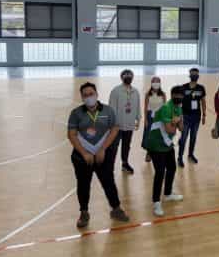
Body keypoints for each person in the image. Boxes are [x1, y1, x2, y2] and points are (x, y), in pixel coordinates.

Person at [68, 82, 129, 229]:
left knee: (108, 182)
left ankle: (116, 209)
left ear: (96, 94)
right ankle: (84, 213)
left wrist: (102, 149)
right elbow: (71, 134)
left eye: (91, 94)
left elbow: (114, 129)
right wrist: (84, 153)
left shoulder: (108, 111)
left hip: (103, 155)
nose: (89, 97)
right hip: (82, 157)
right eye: (85, 95)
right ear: (82, 97)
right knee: (83, 184)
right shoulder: (76, 113)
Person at [144, 85, 185, 216]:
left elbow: (182, 128)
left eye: (181, 95)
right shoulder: (166, 108)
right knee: (160, 172)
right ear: (172, 95)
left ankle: (167, 194)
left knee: (172, 168)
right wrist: (176, 122)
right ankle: (156, 202)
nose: (179, 97)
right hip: (156, 144)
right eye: (176, 95)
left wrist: (177, 121)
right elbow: (170, 130)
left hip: (167, 144)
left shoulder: (179, 108)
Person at [109, 69, 141, 174]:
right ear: (121, 77)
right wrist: (112, 124)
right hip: (117, 125)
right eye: (126, 75)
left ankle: (125, 163)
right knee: (114, 146)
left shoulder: (135, 92)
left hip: (129, 124)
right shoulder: (116, 91)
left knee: (126, 145)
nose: (128, 77)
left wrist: (138, 119)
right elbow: (112, 108)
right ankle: (110, 166)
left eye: (130, 75)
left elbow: (138, 106)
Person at [178, 67, 207, 167]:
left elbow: (203, 101)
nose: (194, 75)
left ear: (198, 76)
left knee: (193, 137)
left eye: (196, 74)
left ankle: (190, 155)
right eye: (192, 74)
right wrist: (179, 116)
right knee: (183, 137)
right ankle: (180, 157)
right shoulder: (184, 87)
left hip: (196, 117)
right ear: (189, 75)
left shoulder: (201, 88)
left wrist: (204, 115)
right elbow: (179, 102)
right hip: (185, 116)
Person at [142, 78, 166, 163]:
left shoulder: (163, 94)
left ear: (160, 83)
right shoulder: (148, 94)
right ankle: (148, 153)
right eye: (154, 82)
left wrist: (165, 119)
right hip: (150, 117)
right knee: (149, 136)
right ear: (151, 83)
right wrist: (145, 120)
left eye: (157, 82)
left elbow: (164, 107)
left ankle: (158, 153)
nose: (156, 84)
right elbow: (145, 108)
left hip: (159, 117)